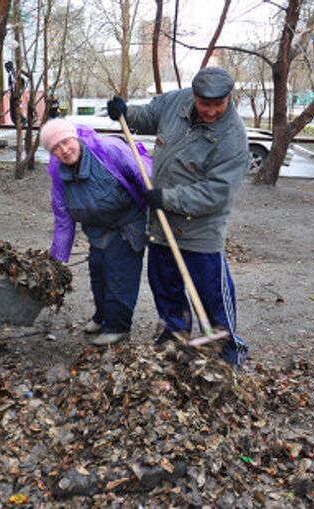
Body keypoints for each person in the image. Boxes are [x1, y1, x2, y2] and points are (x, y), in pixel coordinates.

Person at [106, 66, 250, 366]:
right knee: (166, 285)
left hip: (200, 229)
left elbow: (216, 193)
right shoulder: (176, 102)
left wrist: (167, 198)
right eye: (204, 104)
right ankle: (175, 335)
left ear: (228, 99)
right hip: (162, 223)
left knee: (212, 293)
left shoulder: (233, 139)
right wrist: (126, 112)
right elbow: (149, 116)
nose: (211, 111)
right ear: (194, 96)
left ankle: (227, 350)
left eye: (218, 105)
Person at [40, 119, 151, 346]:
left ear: (75, 137)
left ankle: (118, 326)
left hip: (127, 224)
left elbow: (144, 175)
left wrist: (158, 204)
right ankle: (102, 317)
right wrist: (57, 262)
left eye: (66, 141)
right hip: (97, 231)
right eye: (56, 148)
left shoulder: (108, 150)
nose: (64, 150)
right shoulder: (59, 176)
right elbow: (63, 219)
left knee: (118, 275)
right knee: (98, 272)